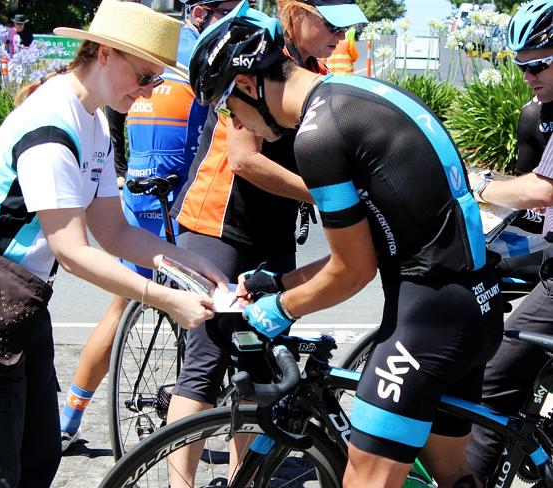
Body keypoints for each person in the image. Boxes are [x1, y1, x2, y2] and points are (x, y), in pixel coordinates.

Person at [0, 1, 228, 485]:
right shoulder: (52, 126)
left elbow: (113, 231)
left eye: (157, 81)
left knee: (38, 452)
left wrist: (193, 263)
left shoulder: (95, 120)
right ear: (104, 53)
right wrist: (165, 298)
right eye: (144, 77)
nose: (148, 92)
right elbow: (74, 251)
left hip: (19, 291)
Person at [189, 3, 504, 487]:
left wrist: (277, 309)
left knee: (364, 479)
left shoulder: (317, 137)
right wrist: (277, 281)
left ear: (249, 85)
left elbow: (352, 272)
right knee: (452, 475)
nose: (239, 122)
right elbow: (376, 247)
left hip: (427, 324)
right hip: (471, 306)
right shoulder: (356, 95)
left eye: (230, 107)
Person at [165, 0, 367, 484]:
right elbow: (244, 160)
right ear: (296, 14)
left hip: (273, 227)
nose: (341, 36)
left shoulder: (315, 73)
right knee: (207, 362)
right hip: (220, 221)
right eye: (331, 24)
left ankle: (245, 477)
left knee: (262, 362)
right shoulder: (251, 56)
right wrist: (325, 197)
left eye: (347, 27)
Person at [58, 0, 240, 451]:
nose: (147, 87)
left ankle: (68, 419)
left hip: (138, 187)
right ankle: (200, 414)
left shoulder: (137, 68)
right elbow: (208, 143)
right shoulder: (204, 60)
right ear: (203, 14)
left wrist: (122, 169)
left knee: (120, 308)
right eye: (232, 11)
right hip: (173, 195)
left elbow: (121, 128)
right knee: (208, 318)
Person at [466, 0, 553, 483]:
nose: (527, 75)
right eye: (520, 65)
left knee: (495, 379)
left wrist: (475, 186)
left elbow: (541, 190)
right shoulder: (535, 114)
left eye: (538, 63)